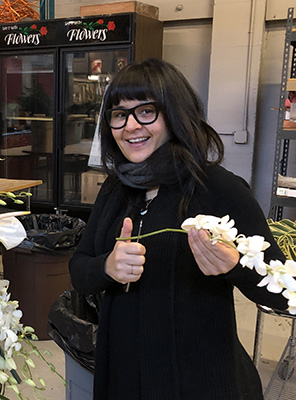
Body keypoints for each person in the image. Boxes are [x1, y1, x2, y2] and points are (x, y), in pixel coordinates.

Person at [68, 58, 289, 400]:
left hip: (200, 380)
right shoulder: (115, 190)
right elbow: (79, 271)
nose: (130, 126)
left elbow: (283, 294)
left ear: (174, 114)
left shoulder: (219, 189)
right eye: (118, 114)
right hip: (123, 377)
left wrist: (235, 267)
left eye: (145, 111)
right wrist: (107, 267)